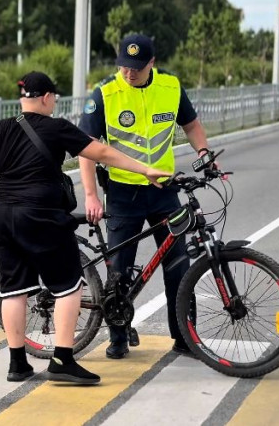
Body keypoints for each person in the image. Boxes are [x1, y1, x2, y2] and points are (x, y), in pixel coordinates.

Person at [0, 71, 171, 385]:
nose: (54, 102)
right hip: (42, 215)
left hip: (5, 217)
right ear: (46, 97)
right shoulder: (56, 128)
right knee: (69, 285)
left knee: (13, 289)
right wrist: (145, 169)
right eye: (53, 98)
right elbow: (101, 152)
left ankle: (17, 364)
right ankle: (62, 360)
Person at [77, 34, 216, 360]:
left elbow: (192, 124)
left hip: (164, 191)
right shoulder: (106, 94)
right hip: (122, 193)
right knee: (119, 270)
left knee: (178, 265)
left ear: (152, 63)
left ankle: (184, 338)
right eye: (124, 66)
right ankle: (118, 336)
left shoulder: (170, 88)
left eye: (137, 68)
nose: (129, 73)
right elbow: (85, 147)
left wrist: (205, 152)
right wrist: (90, 195)